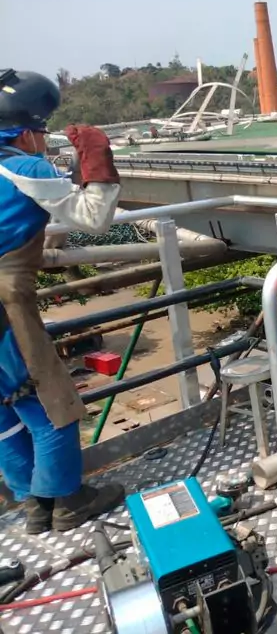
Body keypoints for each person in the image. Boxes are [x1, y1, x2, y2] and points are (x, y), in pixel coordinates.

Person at [0, 69, 126, 534]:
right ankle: (67, 500)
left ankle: (33, 503)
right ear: (28, 132)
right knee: (50, 402)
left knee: (5, 407)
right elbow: (94, 217)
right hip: (6, 305)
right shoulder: (24, 167)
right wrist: (97, 159)